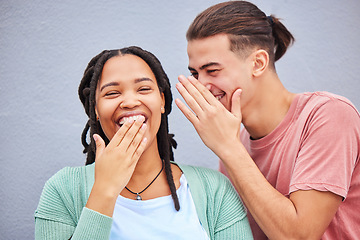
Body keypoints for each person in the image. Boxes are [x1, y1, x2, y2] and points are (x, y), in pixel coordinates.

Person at [175, 1, 360, 239]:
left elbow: (298, 235)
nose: (200, 85)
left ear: (258, 63)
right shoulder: (236, 143)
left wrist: (229, 149)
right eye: (194, 73)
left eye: (212, 71)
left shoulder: (328, 114)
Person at [34, 46, 253, 239]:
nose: (130, 102)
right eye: (112, 93)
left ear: (162, 101)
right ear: (96, 110)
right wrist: (104, 190)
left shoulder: (214, 189)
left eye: (144, 89)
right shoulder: (62, 189)